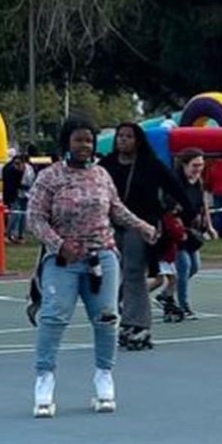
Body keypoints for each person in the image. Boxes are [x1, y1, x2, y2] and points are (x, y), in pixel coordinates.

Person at [27, 114, 155, 417]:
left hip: (103, 256)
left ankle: (104, 376)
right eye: (78, 140)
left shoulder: (100, 175)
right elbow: (34, 217)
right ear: (66, 143)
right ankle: (44, 379)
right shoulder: (50, 177)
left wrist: (142, 226)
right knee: (54, 317)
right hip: (64, 260)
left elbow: (115, 208)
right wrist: (59, 245)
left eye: (89, 140)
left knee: (107, 318)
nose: (85, 145)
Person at [100, 122, 184, 349]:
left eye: (128, 136)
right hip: (110, 225)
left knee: (134, 271)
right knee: (106, 272)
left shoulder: (150, 164)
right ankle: (118, 317)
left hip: (141, 225)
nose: (123, 140)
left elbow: (174, 186)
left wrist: (188, 211)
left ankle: (138, 325)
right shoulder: (106, 165)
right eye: (120, 136)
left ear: (138, 140)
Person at [171, 148, 215, 318]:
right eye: (195, 165)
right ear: (184, 165)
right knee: (184, 266)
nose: (199, 168)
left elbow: (203, 204)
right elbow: (169, 206)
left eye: (201, 165)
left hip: (193, 230)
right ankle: (183, 305)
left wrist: (209, 226)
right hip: (178, 230)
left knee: (194, 267)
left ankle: (167, 294)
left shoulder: (198, 181)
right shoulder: (175, 182)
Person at [2, 151, 36, 243]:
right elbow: (10, 185)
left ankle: (20, 235)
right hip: (15, 195)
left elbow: (32, 180)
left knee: (23, 215)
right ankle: (8, 234)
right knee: (15, 215)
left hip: (26, 194)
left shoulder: (29, 169)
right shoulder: (10, 169)